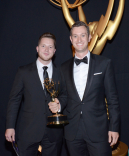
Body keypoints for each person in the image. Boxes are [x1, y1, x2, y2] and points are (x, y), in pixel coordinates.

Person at [49, 21, 120, 156]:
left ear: (89, 38)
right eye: (75, 36)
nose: (79, 39)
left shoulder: (104, 64)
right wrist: (58, 106)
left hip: (98, 130)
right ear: (71, 39)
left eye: (83, 35)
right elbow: (64, 96)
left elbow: (113, 100)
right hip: (72, 131)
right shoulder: (63, 68)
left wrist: (114, 128)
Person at [5, 32, 67, 156]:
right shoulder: (23, 72)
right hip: (28, 131)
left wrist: (59, 106)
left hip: (53, 133)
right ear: (37, 48)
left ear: (54, 51)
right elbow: (14, 100)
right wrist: (10, 126)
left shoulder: (61, 72)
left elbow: (65, 95)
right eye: (43, 46)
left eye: (50, 47)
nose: (46, 49)